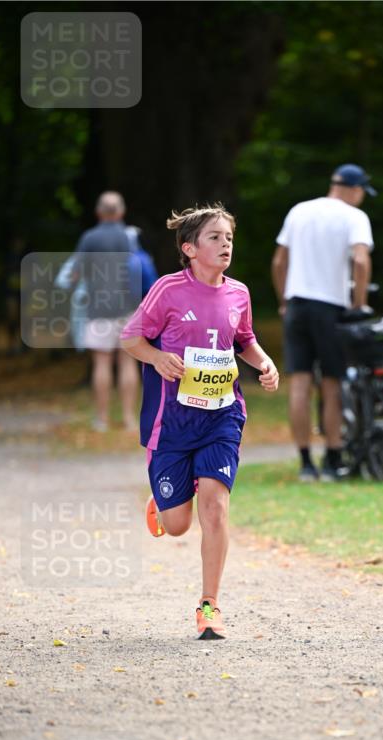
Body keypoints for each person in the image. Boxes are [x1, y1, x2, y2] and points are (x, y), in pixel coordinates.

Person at [121, 203, 279, 640]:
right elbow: (131, 337)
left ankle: (209, 605)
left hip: (222, 416)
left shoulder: (239, 293)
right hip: (172, 422)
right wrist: (157, 358)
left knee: (215, 506)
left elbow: (244, 339)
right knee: (177, 526)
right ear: (189, 248)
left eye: (229, 237)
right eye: (214, 237)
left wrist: (265, 363)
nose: (225, 244)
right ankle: (164, 502)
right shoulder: (167, 290)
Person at [271, 163, 375, 482]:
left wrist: (284, 301)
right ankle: (332, 458)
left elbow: (279, 261)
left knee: (299, 384)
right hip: (330, 307)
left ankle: (305, 462)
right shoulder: (354, 217)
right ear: (355, 190)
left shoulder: (299, 210)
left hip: (297, 304)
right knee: (331, 384)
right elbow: (361, 260)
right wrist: (359, 303)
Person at [73, 191, 140, 432]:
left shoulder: (89, 238)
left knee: (102, 362)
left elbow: (75, 274)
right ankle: (129, 419)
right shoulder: (130, 236)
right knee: (128, 361)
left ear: (98, 212)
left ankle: (101, 419)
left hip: (99, 307)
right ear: (121, 211)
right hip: (130, 307)